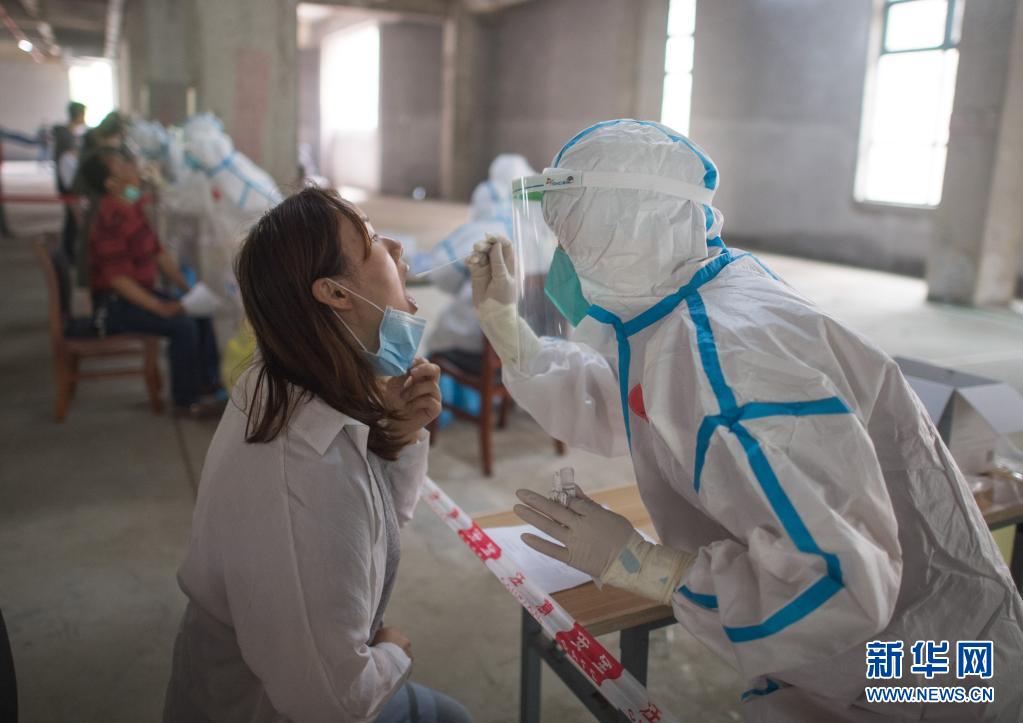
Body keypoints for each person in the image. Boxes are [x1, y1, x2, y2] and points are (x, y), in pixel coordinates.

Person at [468, 119, 1023, 721]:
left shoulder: (729, 357)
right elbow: (637, 408)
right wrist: (508, 331)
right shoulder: (695, 302)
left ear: (623, 231)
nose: (562, 262)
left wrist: (644, 566)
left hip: (926, 678)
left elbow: (837, 587)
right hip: (907, 655)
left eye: (570, 237)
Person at [162, 187, 473, 723]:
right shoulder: (309, 466)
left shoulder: (286, 381)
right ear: (334, 293)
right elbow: (332, 701)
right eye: (373, 239)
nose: (397, 247)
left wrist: (397, 435)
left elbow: (375, 528)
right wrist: (394, 651)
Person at [78, 147, 223, 418]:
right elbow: (118, 280)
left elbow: (158, 253)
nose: (131, 166)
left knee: (199, 311)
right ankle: (186, 402)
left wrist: (188, 291)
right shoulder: (110, 219)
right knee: (182, 325)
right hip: (114, 306)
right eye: (121, 165)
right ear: (111, 183)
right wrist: (160, 307)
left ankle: (209, 385)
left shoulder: (131, 206)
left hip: (137, 294)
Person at [421, 154, 535, 375]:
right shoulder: (536, 235)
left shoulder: (482, 230)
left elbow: (440, 275)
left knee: (434, 344)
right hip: (524, 350)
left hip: (476, 349)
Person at [52, 101, 88, 260]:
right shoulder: (66, 137)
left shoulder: (69, 135)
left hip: (67, 181)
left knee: (71, 218)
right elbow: (70, 160)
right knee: (73, 218)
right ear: (78, 115)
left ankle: (68, 251)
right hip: (68, 182)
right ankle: (69, 252)